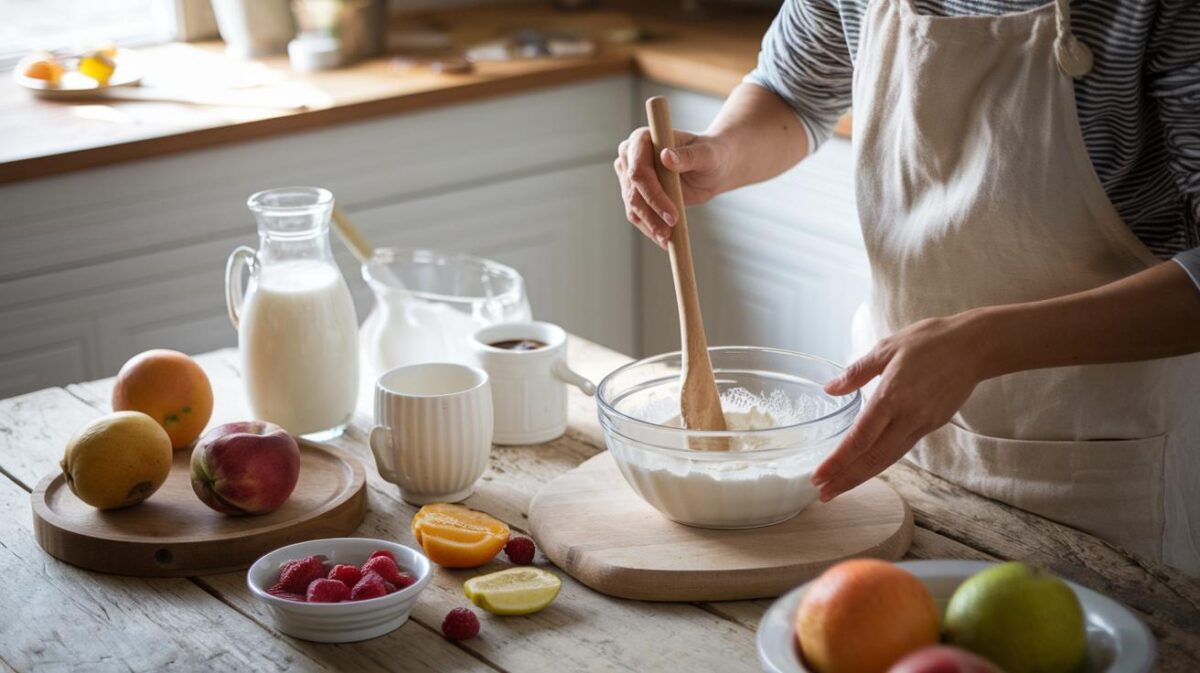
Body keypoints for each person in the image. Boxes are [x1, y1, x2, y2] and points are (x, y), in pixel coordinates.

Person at [614, 0, 1200, 574]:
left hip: (1096, 468)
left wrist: (983, 345)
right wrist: (717, 154)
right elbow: (791, 90)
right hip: (888, 441)